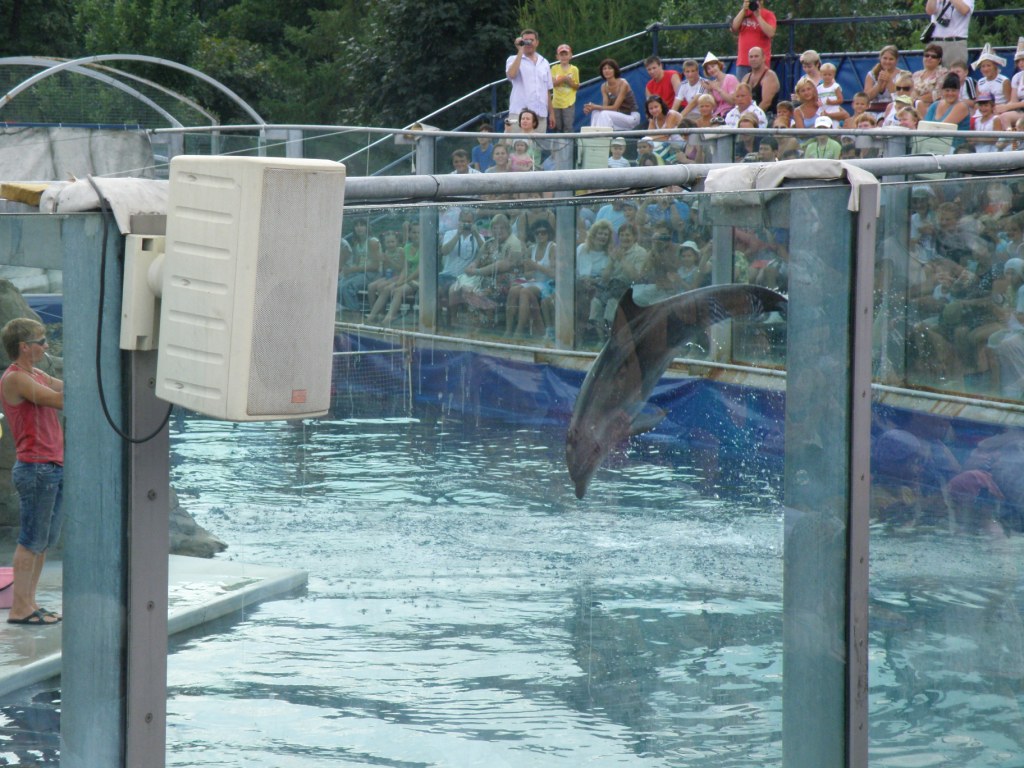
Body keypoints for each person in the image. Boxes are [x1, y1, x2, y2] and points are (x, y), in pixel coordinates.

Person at [1, 319, 64, 626]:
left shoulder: (36, 374)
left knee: (42, 542)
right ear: (24, 347)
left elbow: (66, 388)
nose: (46, 346)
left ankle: (30, 603)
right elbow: (60, 398)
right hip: (35, 468)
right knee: (30, 540)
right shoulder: (14, 379)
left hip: (51, 466)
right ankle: (19, 608)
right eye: (41, 341)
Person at [506, 219, 557, 338]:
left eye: (543, 232)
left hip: (548, 283)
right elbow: (526, 274)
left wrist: (536, 266)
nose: (540, 235)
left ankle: (519, 330)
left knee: (525, 292)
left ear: (548, 233)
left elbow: (554, 274)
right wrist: (532, 271)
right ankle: (508, 330)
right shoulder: (531, 249)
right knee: (513, 290)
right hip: (535, 281)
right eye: (537, 233)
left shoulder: (552, 248)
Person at [506, 29, 554, 131]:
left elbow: (547, 90)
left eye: (531, 40)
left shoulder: (544, 62)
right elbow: (511, 75)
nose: (528, 43)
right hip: (519, 114)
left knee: (537, 146)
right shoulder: (512, 59)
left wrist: (552, 113)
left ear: (537, 42)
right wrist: (520, 51)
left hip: (540, 115)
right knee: (517, 145)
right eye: (525, 40)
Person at [583, 58, 641, 130]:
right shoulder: (604, 86)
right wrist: (590, 107)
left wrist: (594, 106)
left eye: (610, 68)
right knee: (596, 112)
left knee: (604, 114)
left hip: (632, 116)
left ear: (615, 70)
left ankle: (603, 138)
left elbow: (614, 107)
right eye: (604, 69)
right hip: (618, 116)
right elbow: (604, 107)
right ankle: (593, 137)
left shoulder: (623, 83)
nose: (607, 71)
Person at [338, 218, 382, 312]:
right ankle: (347, 311)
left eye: (362, 225)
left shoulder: (373, 242)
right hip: (360, 273)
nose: (359, 228)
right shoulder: (357, 243)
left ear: (367, 227)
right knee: (339, 285)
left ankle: (355, 314)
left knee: (348, 287)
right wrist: (347, 270)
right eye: (356, 225)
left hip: (372, 274)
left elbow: (375, 266)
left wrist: (354, 269)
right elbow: (356, 263)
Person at [730, 0, 777, 79]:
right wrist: (743, 10)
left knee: (760, 89)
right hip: (743, 61)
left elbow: (771, 33)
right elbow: (734, 28)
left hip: (761, 62)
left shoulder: (768, 14)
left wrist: (758, 16)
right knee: (742, 89)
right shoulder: (744, 14)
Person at [924, 0, 973, 70]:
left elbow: (964, 10)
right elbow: (929, 11)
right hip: (934, 42)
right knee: (930, 75)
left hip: (955, 42)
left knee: (954, 75)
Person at [742, 46, 780, 117]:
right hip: (747, 116)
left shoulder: (769, 76)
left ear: (763, 58)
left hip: (767, 116)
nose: (753, 59)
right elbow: (740, 99)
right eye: (751, 57)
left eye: (756, 56)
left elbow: (766, 103)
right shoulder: (746, 77)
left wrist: (751, 117)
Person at [550, 43, 579, 133]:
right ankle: (557, 146)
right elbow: (552, 84)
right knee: (557, 127)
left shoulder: (574, 69)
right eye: (561, 55)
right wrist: (564, 78)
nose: (564, 57)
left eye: (566, 54)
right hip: (556, 103)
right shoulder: (554, 68)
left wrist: (569, 81)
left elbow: (577, 86)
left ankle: (569, 147)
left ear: (570, 56)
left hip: (569, 103)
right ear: (557, 57)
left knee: (568, 127)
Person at [701, 51, 740, 118]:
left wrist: (718, 89)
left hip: (732, 113)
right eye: (708, 68)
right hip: (718, 114)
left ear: (718, 65)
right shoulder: (712, 84)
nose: (711, 70)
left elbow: (733, 102)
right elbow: (715, 107)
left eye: (713, 66)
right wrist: (710, 90)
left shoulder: (730, 78)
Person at [913, 44, 948, 113]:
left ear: (939, 60)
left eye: (933, 56)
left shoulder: (943, 74)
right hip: (914, 107)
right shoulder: (916, 75)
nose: (929, 58)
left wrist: (918, 99)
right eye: (927, 55)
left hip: (933, 109)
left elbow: (938, 94)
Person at [1003, 38, 1024, 131]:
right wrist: (998, 109)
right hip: (1021, 111)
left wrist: (1007, 107)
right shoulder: (1017, 77)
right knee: (1002, 117)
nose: (1021, 63)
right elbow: (1013, 101)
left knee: (1020, 123)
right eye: (1018, 61)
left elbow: (1013, 105)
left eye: (1023, 60)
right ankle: (1010, 141)